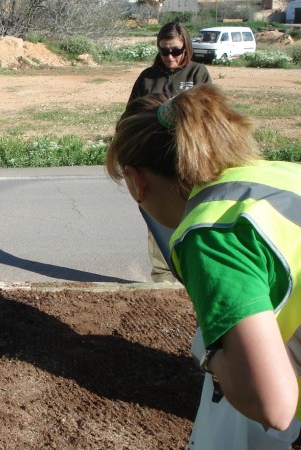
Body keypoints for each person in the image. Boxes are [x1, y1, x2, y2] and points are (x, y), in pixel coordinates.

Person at [105, 83, 301, 449]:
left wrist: (210, 356)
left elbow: (273, 405)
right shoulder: (281, 176)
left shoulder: (211, 230)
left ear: (136, 181)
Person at [128, 21, 213, 284]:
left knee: (196, 215)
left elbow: (211, 114)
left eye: (175, 51)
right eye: (165, 51)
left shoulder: (198, 74)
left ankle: (197, 272)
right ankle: (164, 277)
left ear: (185, 46)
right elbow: (130, 116)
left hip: (189, 158)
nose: (170, 57)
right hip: (155, 160)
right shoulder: (147, 77)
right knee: (159, 218)